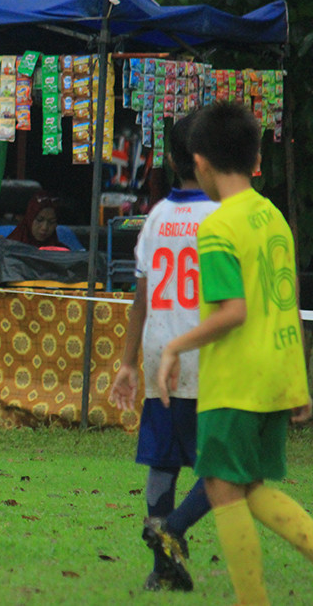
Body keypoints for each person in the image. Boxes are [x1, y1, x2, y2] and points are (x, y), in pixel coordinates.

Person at [158, 101, 313, 606]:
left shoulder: (220, 226)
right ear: (254, 156)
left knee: (224, 490)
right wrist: (298, 383)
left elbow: (234, 311)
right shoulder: (273, 218)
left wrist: (174, 347)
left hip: (237, 380)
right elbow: (285, 304)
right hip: (276, 376)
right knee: (242, 487)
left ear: (199, 162)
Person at [109, 111, 215, 592]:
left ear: (171, 159)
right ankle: (172, 532)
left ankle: (161, 567)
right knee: (225, 466)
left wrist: (128, 361)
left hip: (159, 351)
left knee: (163, 459)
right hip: (206, 354)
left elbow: (142, 296)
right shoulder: (221, 216)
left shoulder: (155, 218)